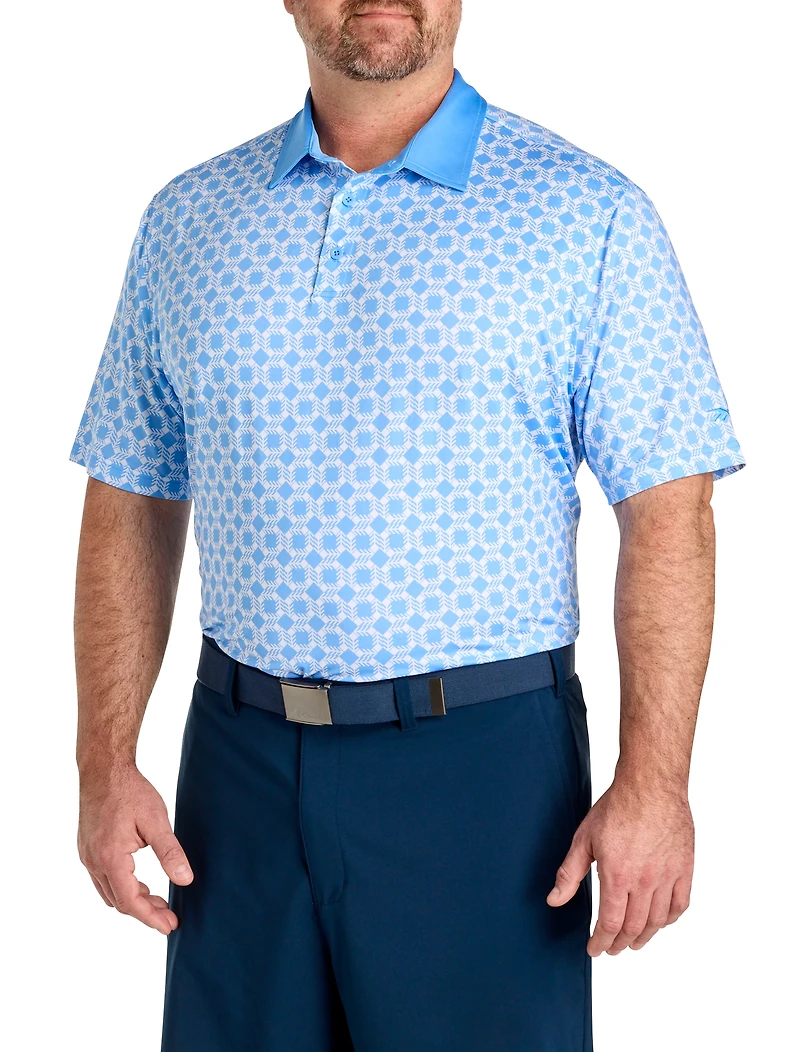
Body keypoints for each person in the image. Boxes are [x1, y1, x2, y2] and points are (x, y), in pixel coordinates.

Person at [68, 2, 746, 1049]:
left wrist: (655, 782)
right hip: (237, 773)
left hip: (482, 776)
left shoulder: (586, 216)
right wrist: (102, 760)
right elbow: (130, 495)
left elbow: (669, 513)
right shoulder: (189, 219)